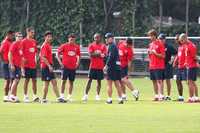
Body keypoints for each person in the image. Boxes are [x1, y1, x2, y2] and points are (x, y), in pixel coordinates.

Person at [40, 31, 66, 103]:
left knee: (54, 82)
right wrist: (49, 66)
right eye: (48, 37)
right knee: (46, 83)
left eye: (51, 37)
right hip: (46, 67)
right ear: (45, 37)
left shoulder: (48, 45)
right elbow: (43, 57)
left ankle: (59, 98)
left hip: (49, 66)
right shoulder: (45, 45)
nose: (50, 38)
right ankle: (43, 99)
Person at [82, 33, 107, 102]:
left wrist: (96, 54)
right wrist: (99, 54)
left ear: (100, 38)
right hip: (92, 66)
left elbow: (104, 55)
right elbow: (90, 54)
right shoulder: (91, 45)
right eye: (95, 38)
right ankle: (85, 95)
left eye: (97, 37)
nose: (96, 39)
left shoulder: (103, 46)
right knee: (89, 80)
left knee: (99, 82)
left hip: (100, 67)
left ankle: (97, 96)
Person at [56, 34, 80, 102]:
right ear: (68, 39)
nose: (72, 40)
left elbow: (78, 55)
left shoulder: (76, 47)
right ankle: (62, 95)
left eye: (73, 39)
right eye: (70, 39)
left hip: (73, 67)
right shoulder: (64, 46)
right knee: (63, 81)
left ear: (75, 39)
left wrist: (77, 62)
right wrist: (60, 62)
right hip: (65, 67)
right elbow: (57, 54)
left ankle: (69, 96)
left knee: (71, 82)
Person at [179, 33, 199, 103]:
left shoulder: (191, 46)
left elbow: (194, 57)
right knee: (192, 82)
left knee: (190, 82)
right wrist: (186, 62)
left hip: (191, 66)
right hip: (189, 66)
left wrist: (197, 62)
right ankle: (196, 98)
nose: (181, 42)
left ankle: (191, 98)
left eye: (181, 40)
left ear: (185, 39)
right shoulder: (186, 45)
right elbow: (189, 56)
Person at [104, 33, 123, 104]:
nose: (106, 39)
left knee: (109, 83)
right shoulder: (114, 46)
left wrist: (106, 65)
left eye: (107, 38)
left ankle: (109, 99)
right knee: (117, 83)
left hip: (112, 67)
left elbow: (110, 57)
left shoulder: (111, 46)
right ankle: (120, 99)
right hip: (117, 67)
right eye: (105, 38)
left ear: (111, 38)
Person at [21, 27, 39, 103]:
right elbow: (20, 52)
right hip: (26, 65)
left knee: (34, 80)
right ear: (27, 32)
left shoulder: (34, 41)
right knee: (26, 80)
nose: (33, 34)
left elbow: (36, 52)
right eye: (32, 32)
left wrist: (36, 59)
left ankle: (35, 96)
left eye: (33, 32)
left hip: (33, 65)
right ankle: (25, 96)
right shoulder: (23, 41)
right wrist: (23, 60)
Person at [147, 29, 165, 101]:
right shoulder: (150, 44)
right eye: (149, 36)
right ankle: (156, 95)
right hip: (152, 66)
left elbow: (163, 56)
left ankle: (161, 95)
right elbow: (150, 56)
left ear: (154, 36)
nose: (150, 37)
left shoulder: (160, 43)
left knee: (159, 81)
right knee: (154, 81)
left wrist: (155, 53)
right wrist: (149, 53)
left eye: (151, 36)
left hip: (159, 66)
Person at [158, 33, 177, 100]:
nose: (160, 40)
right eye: (159, 39)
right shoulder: (157, 46)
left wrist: (171, 61)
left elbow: (175, 53)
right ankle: (161, 95)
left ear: (164, 39)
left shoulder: (168, 46)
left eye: (162, 39)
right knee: (160, 80)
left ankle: (168, 95)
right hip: (160, 65)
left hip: (167, 65)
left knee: (168, 80)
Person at [8, 32, 23, 103]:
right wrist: (11, 64)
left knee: (16, 81)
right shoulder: (14, 44)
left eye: (21, 36)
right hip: (14, 65)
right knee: (16, 80)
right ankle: (11, 96)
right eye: (18, 36)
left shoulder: (20, 45)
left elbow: (20, 56)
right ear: (16, 37)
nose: (20, 37)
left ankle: (14, 96)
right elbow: (9, 54)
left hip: (18, 66)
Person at [0, 30, 14, 102]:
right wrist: (4, 60)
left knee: (12, 80)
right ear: (8, 35)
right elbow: (1, 52)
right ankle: (5, 96)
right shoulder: (5, 42)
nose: (12, 37)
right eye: (12, 35)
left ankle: (9, 96)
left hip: (10, 63)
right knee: (7, 80)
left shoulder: (10, 42)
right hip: (6, 64)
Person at [173, 34, 185, 101]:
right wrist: (175, 61)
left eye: (177, 39)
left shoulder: (185, 46)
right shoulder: (179, 47)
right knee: (178, 81)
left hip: (185, 67)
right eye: (175, 39)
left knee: (189, 82)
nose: (176, 41)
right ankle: (181, 97)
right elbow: (178, 55)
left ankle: (194, 97)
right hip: (179, 67)